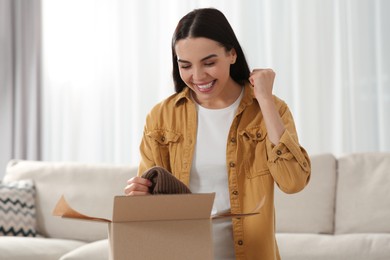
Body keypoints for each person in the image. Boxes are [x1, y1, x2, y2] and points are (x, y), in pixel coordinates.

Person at [124, 7, 311, 260]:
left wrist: (264, 99)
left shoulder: (271, 109)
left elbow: (293, 181)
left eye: (209, 63)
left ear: (232, 54)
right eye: (186, 66)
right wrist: (140, 195)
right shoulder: (161, 117)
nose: (198, 76)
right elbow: (154, 207)